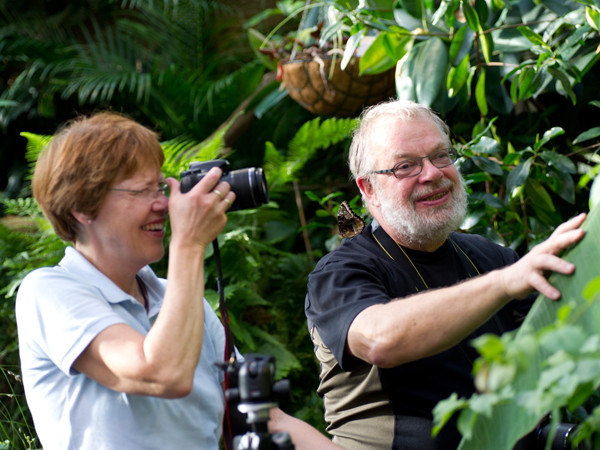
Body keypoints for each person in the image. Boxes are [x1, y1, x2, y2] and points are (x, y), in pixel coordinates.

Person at [16, 112, 339, 450]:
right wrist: (188, 243)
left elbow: (265, 419)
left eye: (160, 187)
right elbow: (161, 374)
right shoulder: (48, 292)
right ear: (82, 208)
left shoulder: (179, 300)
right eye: (142, 191)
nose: (164, 204)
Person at [304, 99, 587, 450]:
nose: (433, 173)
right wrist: (504, 283)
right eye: (405, 166)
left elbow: (564, 345)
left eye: (440, 155)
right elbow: (379, 339)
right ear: (368, 189)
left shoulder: (489, 256)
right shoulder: (341, 272)